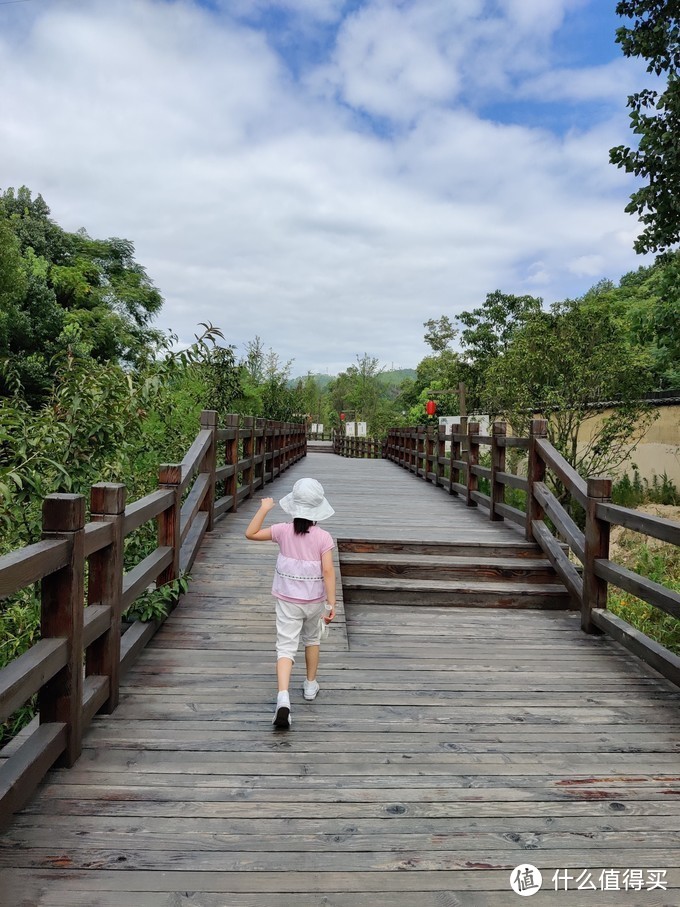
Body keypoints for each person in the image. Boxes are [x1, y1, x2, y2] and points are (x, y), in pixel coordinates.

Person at [245, 477, 336, 729]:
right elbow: (328, 571)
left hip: (287, 601)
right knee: (312, 639)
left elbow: (250, 533)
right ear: (317, 511)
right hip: (314, 600)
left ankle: (283, 696)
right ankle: (309, 685)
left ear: (293, 507)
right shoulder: (324, 537)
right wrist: (331, 604)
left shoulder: (282, 531)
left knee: (285, 647)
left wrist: (264, 509)